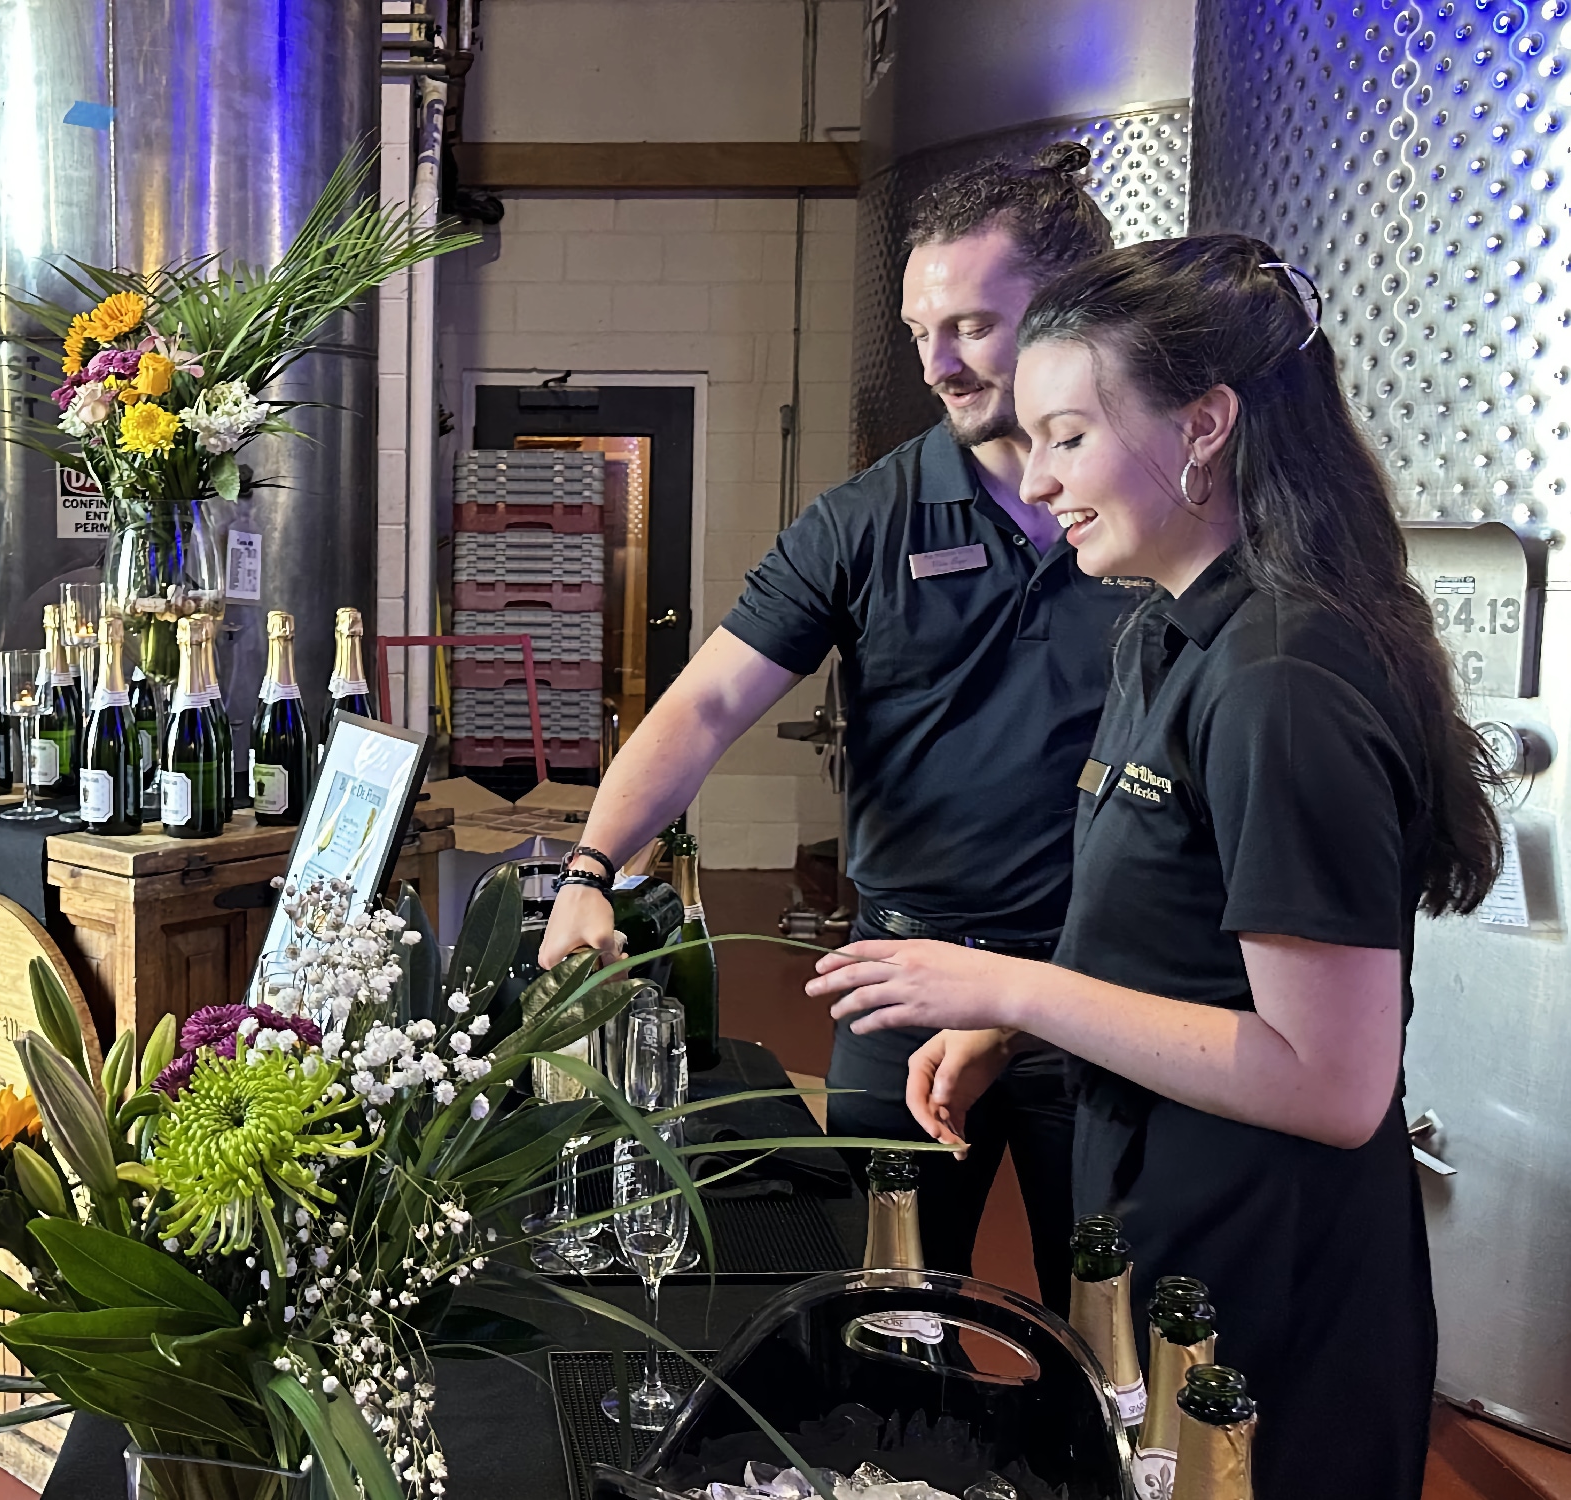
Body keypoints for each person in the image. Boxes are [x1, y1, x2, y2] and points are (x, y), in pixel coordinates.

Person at [811, 233, 1496, 1496]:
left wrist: (1008, 993)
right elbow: (1163, 928)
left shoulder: (1281, 676)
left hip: (1271, 1271)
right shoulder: (1166, 635)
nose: (1039, 474)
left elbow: (1333, 1083)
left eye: (1069, 435)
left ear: (1204, 426)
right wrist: (1015, 1029)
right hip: (1158, 1227)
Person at [537, 144, 1134, 1309]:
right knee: (881, 1323)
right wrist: (589, 869)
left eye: (970, 324)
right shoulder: (869, 517)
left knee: (1108, 1342)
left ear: (1073, 314)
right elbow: (707, 700)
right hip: (906, 977)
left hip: (1104, 988)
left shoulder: (1150, 514)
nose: (937, 364)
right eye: (919, 331)